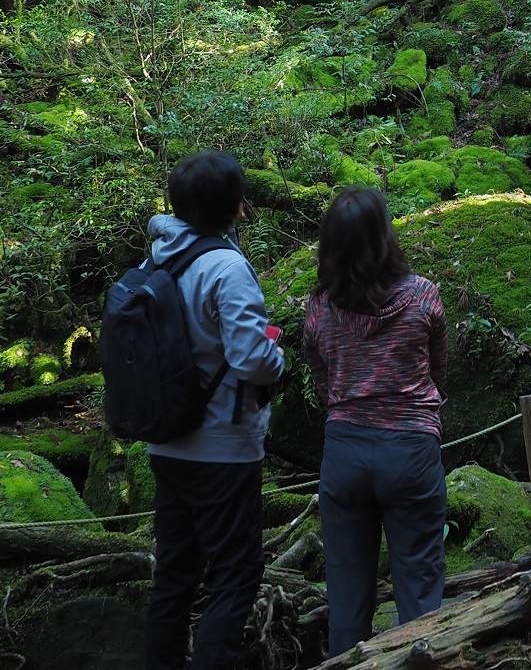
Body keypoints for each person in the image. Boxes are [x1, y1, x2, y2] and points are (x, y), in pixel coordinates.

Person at [143, 151, 286, 670]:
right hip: (222, 449)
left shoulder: (156, 259)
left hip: (165, 440)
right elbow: (252, 359)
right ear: (236, 207)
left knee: (175, 576)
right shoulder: (226, 266)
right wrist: (278, 351)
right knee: (236, 574)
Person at [304, 186, 449, 653]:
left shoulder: (318, 310)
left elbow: (323, 384)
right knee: (421, 588)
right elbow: (438, 371)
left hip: (345, 450)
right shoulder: (424, 297)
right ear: (386, 237)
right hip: (410, 450)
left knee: (345, 597)